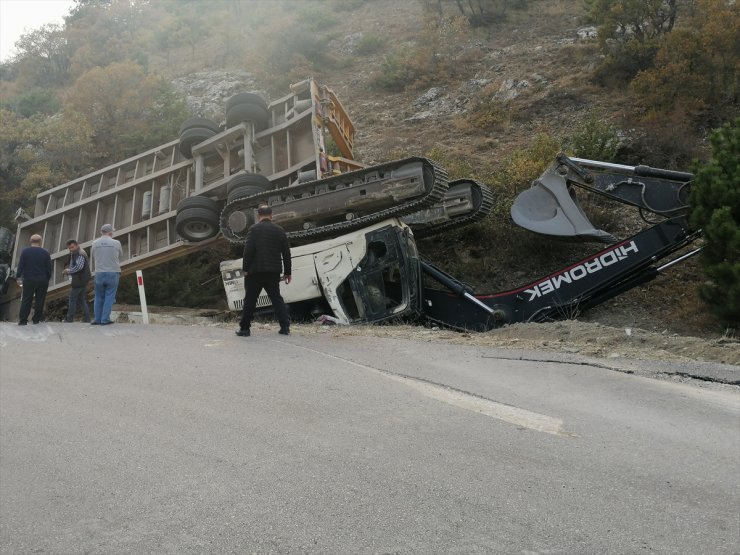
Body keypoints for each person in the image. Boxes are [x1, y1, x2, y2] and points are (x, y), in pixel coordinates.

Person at [237, 205, 291, 337]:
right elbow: (286, 253)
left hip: (255, 271)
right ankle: (285, 328)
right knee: (276, 299)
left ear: (258, 216)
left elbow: (248, 251)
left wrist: (245, 269)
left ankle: (244, 329)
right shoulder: (279, 230)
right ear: (271, 215)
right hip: (273, 272)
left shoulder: (253, 229)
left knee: (250, 300)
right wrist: (288, 272)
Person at [16, 234, 52, 325]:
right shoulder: (45, 252)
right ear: (40, 241)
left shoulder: (25, 252)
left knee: (26, 299)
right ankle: (36, 319)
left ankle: (23, 320)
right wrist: (47, 277)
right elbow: (49, 267)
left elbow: (21, 265)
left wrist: (18, 277)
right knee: (40, 299)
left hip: (29, 279)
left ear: (30, 241)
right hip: (42, 279)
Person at [90, 224, 122, 325]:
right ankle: (105, 319)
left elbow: (93, 256)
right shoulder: (116, 243)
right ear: (111, 232)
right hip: (113, 272)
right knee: (109, 296)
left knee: (98, 296)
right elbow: (120, 255)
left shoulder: (95, 243)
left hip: (99, 272)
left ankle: (97, 319)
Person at [63, 239, 91, 323]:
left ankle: (69, 318)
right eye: (69, 248)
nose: (71, 249)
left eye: (72, 247)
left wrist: (68, 271)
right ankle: (87, 318)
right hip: (82, 279)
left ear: (77, 245)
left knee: (72, 299)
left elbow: (79, 267)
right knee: (81, 299)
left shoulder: (80, 253)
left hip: (79, 279)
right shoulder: (76, 252)